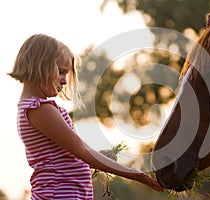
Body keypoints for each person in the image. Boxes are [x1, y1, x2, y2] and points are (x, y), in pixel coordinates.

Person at [8, 34, 163, 199]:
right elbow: (80, 150)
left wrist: (98, 156)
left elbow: (70, 155)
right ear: (41, 65)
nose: (64, 81)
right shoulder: (40, 109)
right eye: (61, 72)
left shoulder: (34, 108)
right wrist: (132, 173)